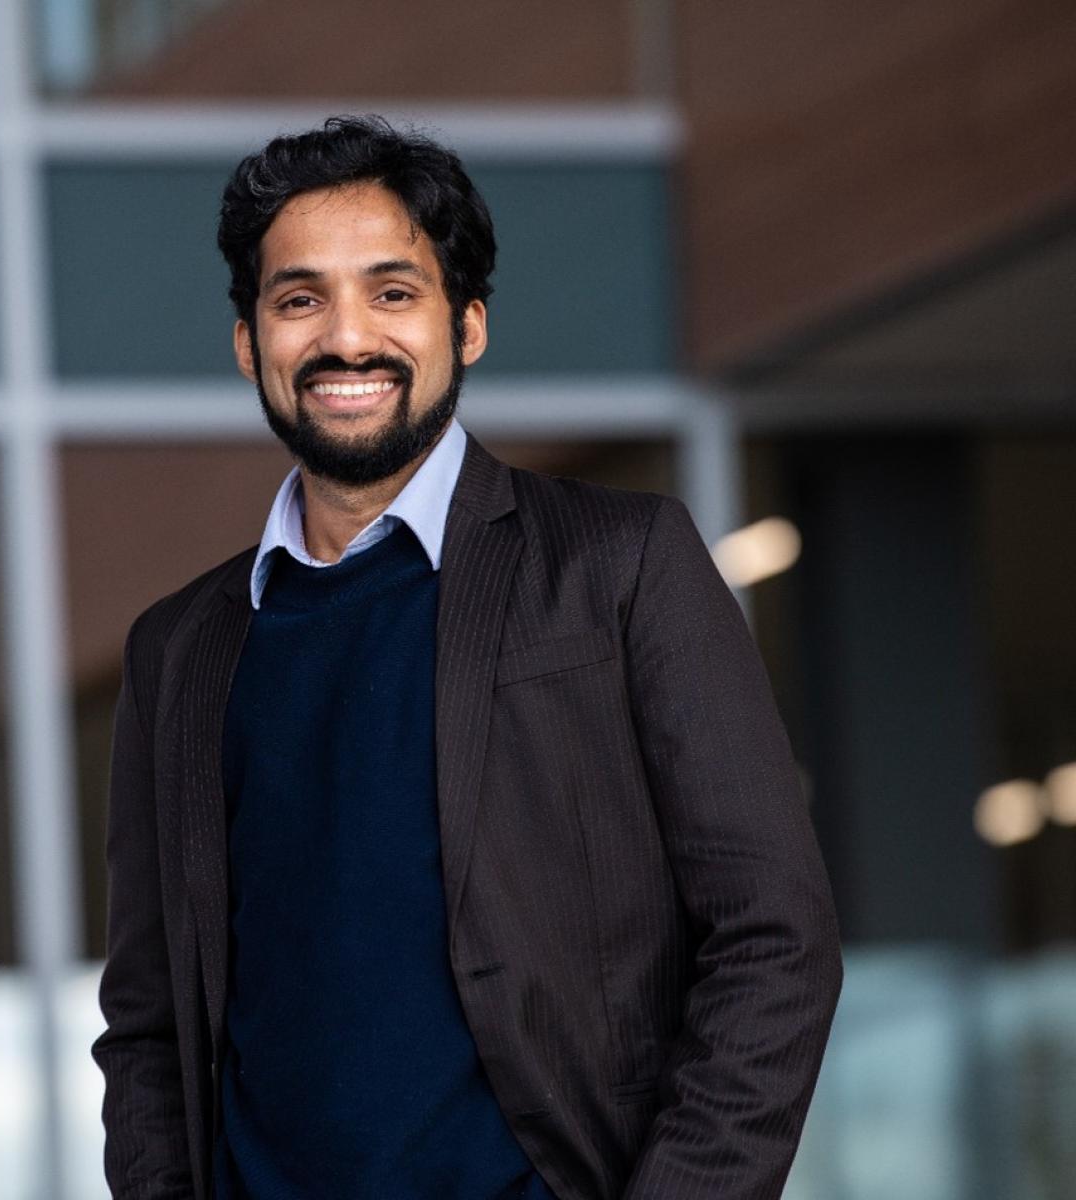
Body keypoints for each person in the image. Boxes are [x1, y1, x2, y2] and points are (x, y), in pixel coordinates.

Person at [93, 114, 842, 1200]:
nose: (346, 339)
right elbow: (150, 1020)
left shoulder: (619, 566)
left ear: (469, 325)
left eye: (392, 293)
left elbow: (775, 939)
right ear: (250, 343)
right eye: (300, 299)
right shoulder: (181, 648)